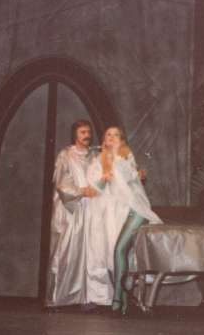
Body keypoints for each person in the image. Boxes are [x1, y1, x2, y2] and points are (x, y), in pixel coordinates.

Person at [86, 126, 162, 315]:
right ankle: (124, 298)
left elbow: (134, 182)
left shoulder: (126, 157)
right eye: (108, 135)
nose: (112, 137)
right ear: (104, 139)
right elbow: (94, 189)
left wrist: (138, 174)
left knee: (120, 249)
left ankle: (118, 298)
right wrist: (104, 178)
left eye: (116, 135)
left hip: (136, 209)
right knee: (119, 252)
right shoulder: (99, 160)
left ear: (121, 140)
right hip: (116, 211)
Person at [44, 119, 98, 309]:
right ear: (75, 134)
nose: (87, 135)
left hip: (90, 209)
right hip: (70, 210)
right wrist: (81, 191)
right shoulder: (65, 155)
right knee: (65, 252)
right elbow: (61, 182)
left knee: (88, 254)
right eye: (83, 132)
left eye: (88, 132)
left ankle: (85, 299)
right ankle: (56, 299)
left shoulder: (94, 155)